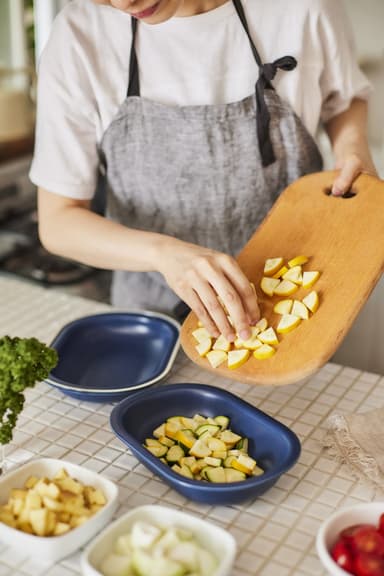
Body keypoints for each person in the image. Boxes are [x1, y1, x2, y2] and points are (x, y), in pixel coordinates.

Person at [30, 0, 377, 344]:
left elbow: (342, 98)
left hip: (295, 303)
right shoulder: (79, 35)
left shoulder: (303, 8)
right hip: (153, 321)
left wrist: (352, 147)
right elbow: (59, 221)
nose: (123, 2)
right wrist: (163, 254)